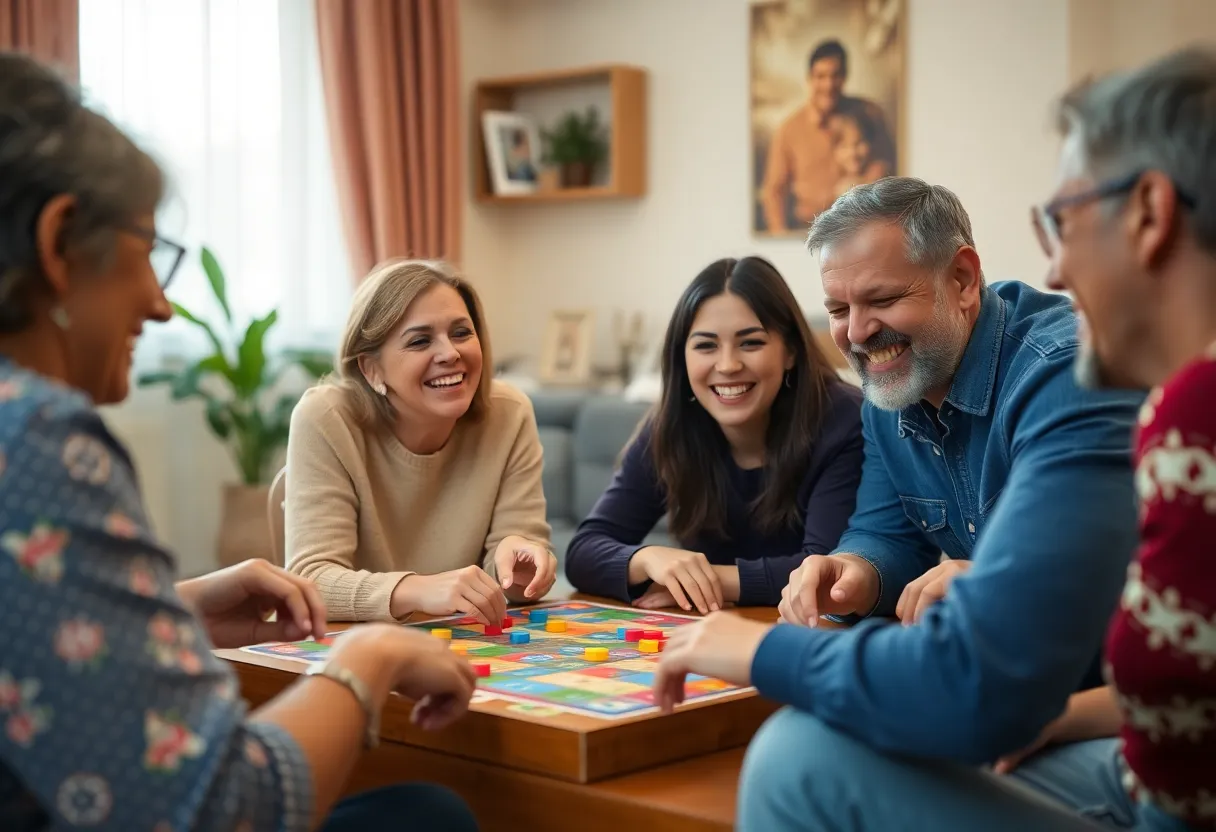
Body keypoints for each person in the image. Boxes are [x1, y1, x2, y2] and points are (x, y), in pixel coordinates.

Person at [0, 52, 478, 831]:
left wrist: (175, 612)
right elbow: (224, 809)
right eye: (148, 253)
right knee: (428, 817)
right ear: (57, 244)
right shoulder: (35, 438)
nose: (159, 305)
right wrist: (374, 654)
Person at [651, 176, 1149, 830]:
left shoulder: (1066, 375)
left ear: (964, 280)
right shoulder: (894, 386)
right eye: (836, 309)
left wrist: (755, 651)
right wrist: (854, 573)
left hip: (1106, 721)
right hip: (1021, 702)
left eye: (883, 299)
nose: (858, 334)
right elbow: (883, 533)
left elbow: (993, 663)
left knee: (798, 756)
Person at [989, 47, 1216, 831]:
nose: (1050, 271)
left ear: (1151, 213)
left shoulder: (1197, 407)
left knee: (801, 761)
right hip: (1138, 771)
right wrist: (1054, 714)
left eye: (1064, 221)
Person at [564, 256, 863, 611]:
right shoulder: (671, 426)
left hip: (812, 634)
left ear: (791, 352)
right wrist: (646, 560)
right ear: (683, 359)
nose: (727, 365)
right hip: (713, 631)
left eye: (750, 343)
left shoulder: (845, 419)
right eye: (706, 346)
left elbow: (826, 572)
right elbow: (582, 552)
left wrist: (706, 580)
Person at [284, 259, 557, 624]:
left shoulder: (509, 413)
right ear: (371, 369)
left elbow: (513, 574)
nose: (450, 353)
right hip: (354, 648)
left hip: (463, 645)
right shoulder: (326, 419)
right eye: (420, 341)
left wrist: (517, 564)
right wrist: (418, 590)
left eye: (461, 333)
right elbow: (311, 579)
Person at [760, 39, 896, 233]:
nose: (828, 84)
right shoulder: (788, 129)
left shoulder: (870, 113)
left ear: (845, 76)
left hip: (865, 230)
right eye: (820, 76)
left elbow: (888, 164)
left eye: (835, 75)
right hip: (808, 232)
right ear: (809, 79)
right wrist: (781, 238)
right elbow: (774, 191)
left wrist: (862, 188)